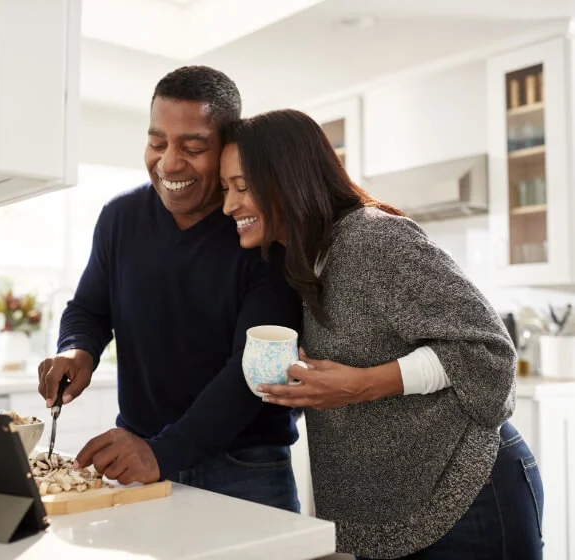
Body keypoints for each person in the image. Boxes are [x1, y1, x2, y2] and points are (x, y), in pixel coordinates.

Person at [219, 109, 544, 559]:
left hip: (468, 495)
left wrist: (360, 385)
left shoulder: (374, 240)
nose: (228, 206)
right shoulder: (305, 262)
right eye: (224, 189)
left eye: (241, 187)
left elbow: (485, 350)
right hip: (398, 514)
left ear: (286, 177)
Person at [37, 67, 303, 513]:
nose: (169, 163)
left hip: (245, 467)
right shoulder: (120, 218)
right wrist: (77, 349)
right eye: (157, 142)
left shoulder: (259, 230)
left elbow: (251, 371)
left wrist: (163, 453)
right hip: (140, 456)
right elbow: (89, 308)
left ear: (227, 149)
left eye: (193, 147)